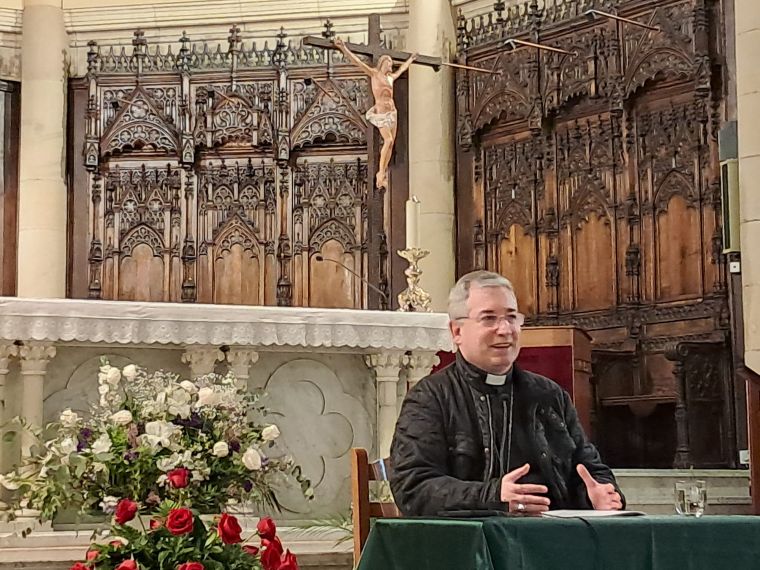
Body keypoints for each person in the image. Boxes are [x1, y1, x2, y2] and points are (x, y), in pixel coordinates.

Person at [389, 270, 624, 516]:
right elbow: (412, 486)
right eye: (489, 319)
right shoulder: (430, 398)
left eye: (511, 317)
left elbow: (591, 469)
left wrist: (598, 496)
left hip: (554, 540)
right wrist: (492, 496)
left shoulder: (549, 395)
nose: (505, 329)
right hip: (472, 545)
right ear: (457, 332)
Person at [334, 38, 416, 190]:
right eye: (389, 62)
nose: (391, 65)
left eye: (391, 63)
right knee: (388, 140)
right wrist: (344, 48)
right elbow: (357, 62)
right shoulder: (374, 74)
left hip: (392, 112)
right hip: (381, 113)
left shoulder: (390, 78)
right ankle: (380, 172)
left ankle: (382, 173)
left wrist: (410, 60)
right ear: (383, 63)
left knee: (391, 144)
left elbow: (402, 70)